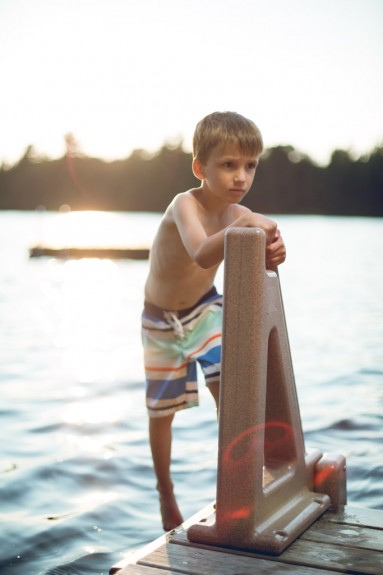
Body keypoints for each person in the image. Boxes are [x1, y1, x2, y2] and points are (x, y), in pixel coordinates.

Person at [141, 111, 286, 531]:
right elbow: (203, 251)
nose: (241, 177)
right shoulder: (183, 204)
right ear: (199, 168)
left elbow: (263, 255)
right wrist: (249, 223)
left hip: (206, 309)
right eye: (228, 165)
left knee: (232, 387)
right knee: (161, 411)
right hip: (161, 320)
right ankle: (166, 492)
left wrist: (272, 251)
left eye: (250, 166)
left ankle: (240, 481)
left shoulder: (240, 215)